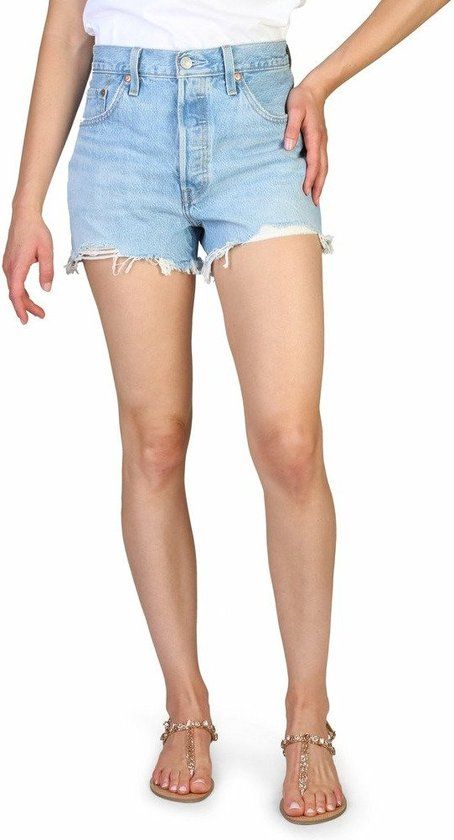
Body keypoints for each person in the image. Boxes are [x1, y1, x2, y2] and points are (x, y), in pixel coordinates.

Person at [3, 0, 449, 825]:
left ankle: (308, 715)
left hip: (259, 121)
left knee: (290, 441)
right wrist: (26, 202)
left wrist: (322, 81)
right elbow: (67, 29)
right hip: (122, 126)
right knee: (155, 440)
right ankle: (186, 705)